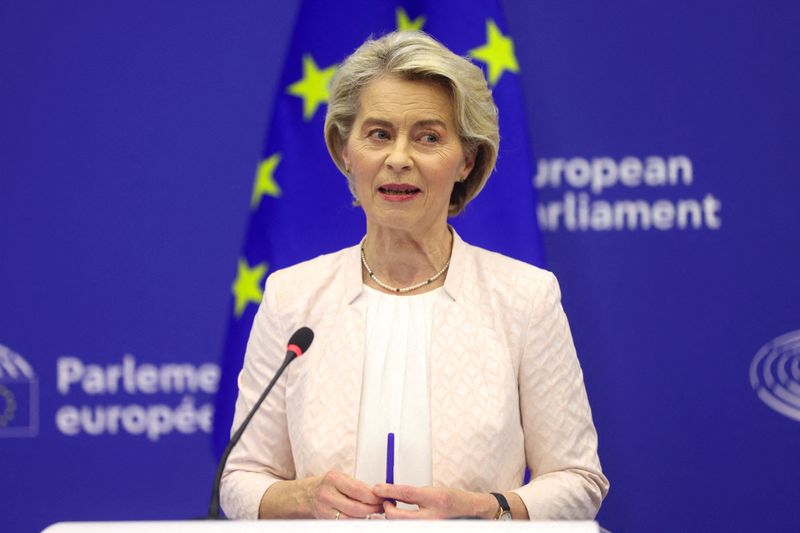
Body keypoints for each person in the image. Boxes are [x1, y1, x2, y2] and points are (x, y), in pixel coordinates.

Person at [220, 30, 609, 521]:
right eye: (379, 134)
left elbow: (579, 480)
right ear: (346, 151)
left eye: (428, 137)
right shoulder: (292, 298)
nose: (399, 159)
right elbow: (239, 480)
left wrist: (486, 511)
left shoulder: (525, 298)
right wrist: (303, 498)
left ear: (466, 159)